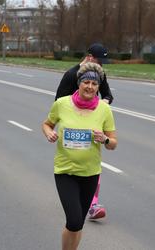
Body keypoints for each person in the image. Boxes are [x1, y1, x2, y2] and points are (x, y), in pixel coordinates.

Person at [42, 62, 117, 250]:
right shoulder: (62, 104)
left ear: (98, 87)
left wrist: (105, 139)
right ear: (79, 83)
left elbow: (113, 144)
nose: (90, 87)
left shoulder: (104, 109)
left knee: (79, 225)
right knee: (74, 221)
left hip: (90, 173)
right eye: (86, 82)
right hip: (65, 171)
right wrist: (49, 132)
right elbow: (47, 124)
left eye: (94, 84)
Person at [55, 43, 113, 220]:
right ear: (88, 57)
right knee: (74, 163)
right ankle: (74, 195)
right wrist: (73, 107)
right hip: (72, 126)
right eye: (99, 60)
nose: (101, 65)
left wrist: (104, 104)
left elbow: (108, 95)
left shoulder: (99, 75)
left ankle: (92, 204)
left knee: (92, 161)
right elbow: (58, 100)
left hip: (92, 123)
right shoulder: (71, 75)